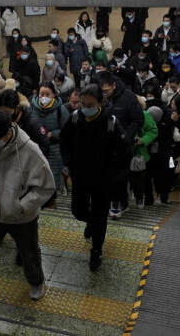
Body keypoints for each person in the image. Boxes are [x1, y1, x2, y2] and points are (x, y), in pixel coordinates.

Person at [0, 110, 55, 316]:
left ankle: (37, 282)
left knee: (29, 252)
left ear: (8, 131)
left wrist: (21, 206)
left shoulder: (31, 151)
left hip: (22, 217)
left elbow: (45, 188)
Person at [60, 84, 132, 270]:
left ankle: (96, 250)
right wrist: (69, 161)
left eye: (90, 104)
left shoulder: (111, 122)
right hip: (80, 176)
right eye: (82, 103)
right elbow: (65, 141)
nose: (85, 107)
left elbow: (126, 152)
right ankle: (89, 222)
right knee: (78, 211)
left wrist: (115, 175)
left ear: (100, 103)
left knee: (100, 216)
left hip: (103, 180)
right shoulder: (75, 118)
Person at [96, 71, 142, 219]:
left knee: (119, 178)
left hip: (122, 146)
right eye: (100, 91)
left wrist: (125, 137)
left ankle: (116, 204)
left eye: (106, 91)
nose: (103, 94)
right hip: (103, 144)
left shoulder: (128, 97)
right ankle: (117, 201)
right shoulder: (96, 97)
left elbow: (138, 120)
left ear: (114, 85)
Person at [31, 82, 71, 190]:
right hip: (36, 149)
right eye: (41, 94)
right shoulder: (32, 108)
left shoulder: (60, 109)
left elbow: (68, 130)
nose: (44, 97)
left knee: (53, 179)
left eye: (48, 94)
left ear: (53, 94)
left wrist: (53, 134)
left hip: (55, 150)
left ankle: (53, 203)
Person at [0, 88, 50, 156]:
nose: (3, 115)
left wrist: (27, 158)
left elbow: (45, 146)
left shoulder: (32, 123)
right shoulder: (1, 122)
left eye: (6, 112)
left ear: (17, 108)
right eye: (0, 112)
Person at [130, 108, 158, 209]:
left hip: (140, 153)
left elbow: (153, 130)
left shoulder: (143, 114)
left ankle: (140, 197)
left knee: (140, 178)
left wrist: (143, 140)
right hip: (120, 152)